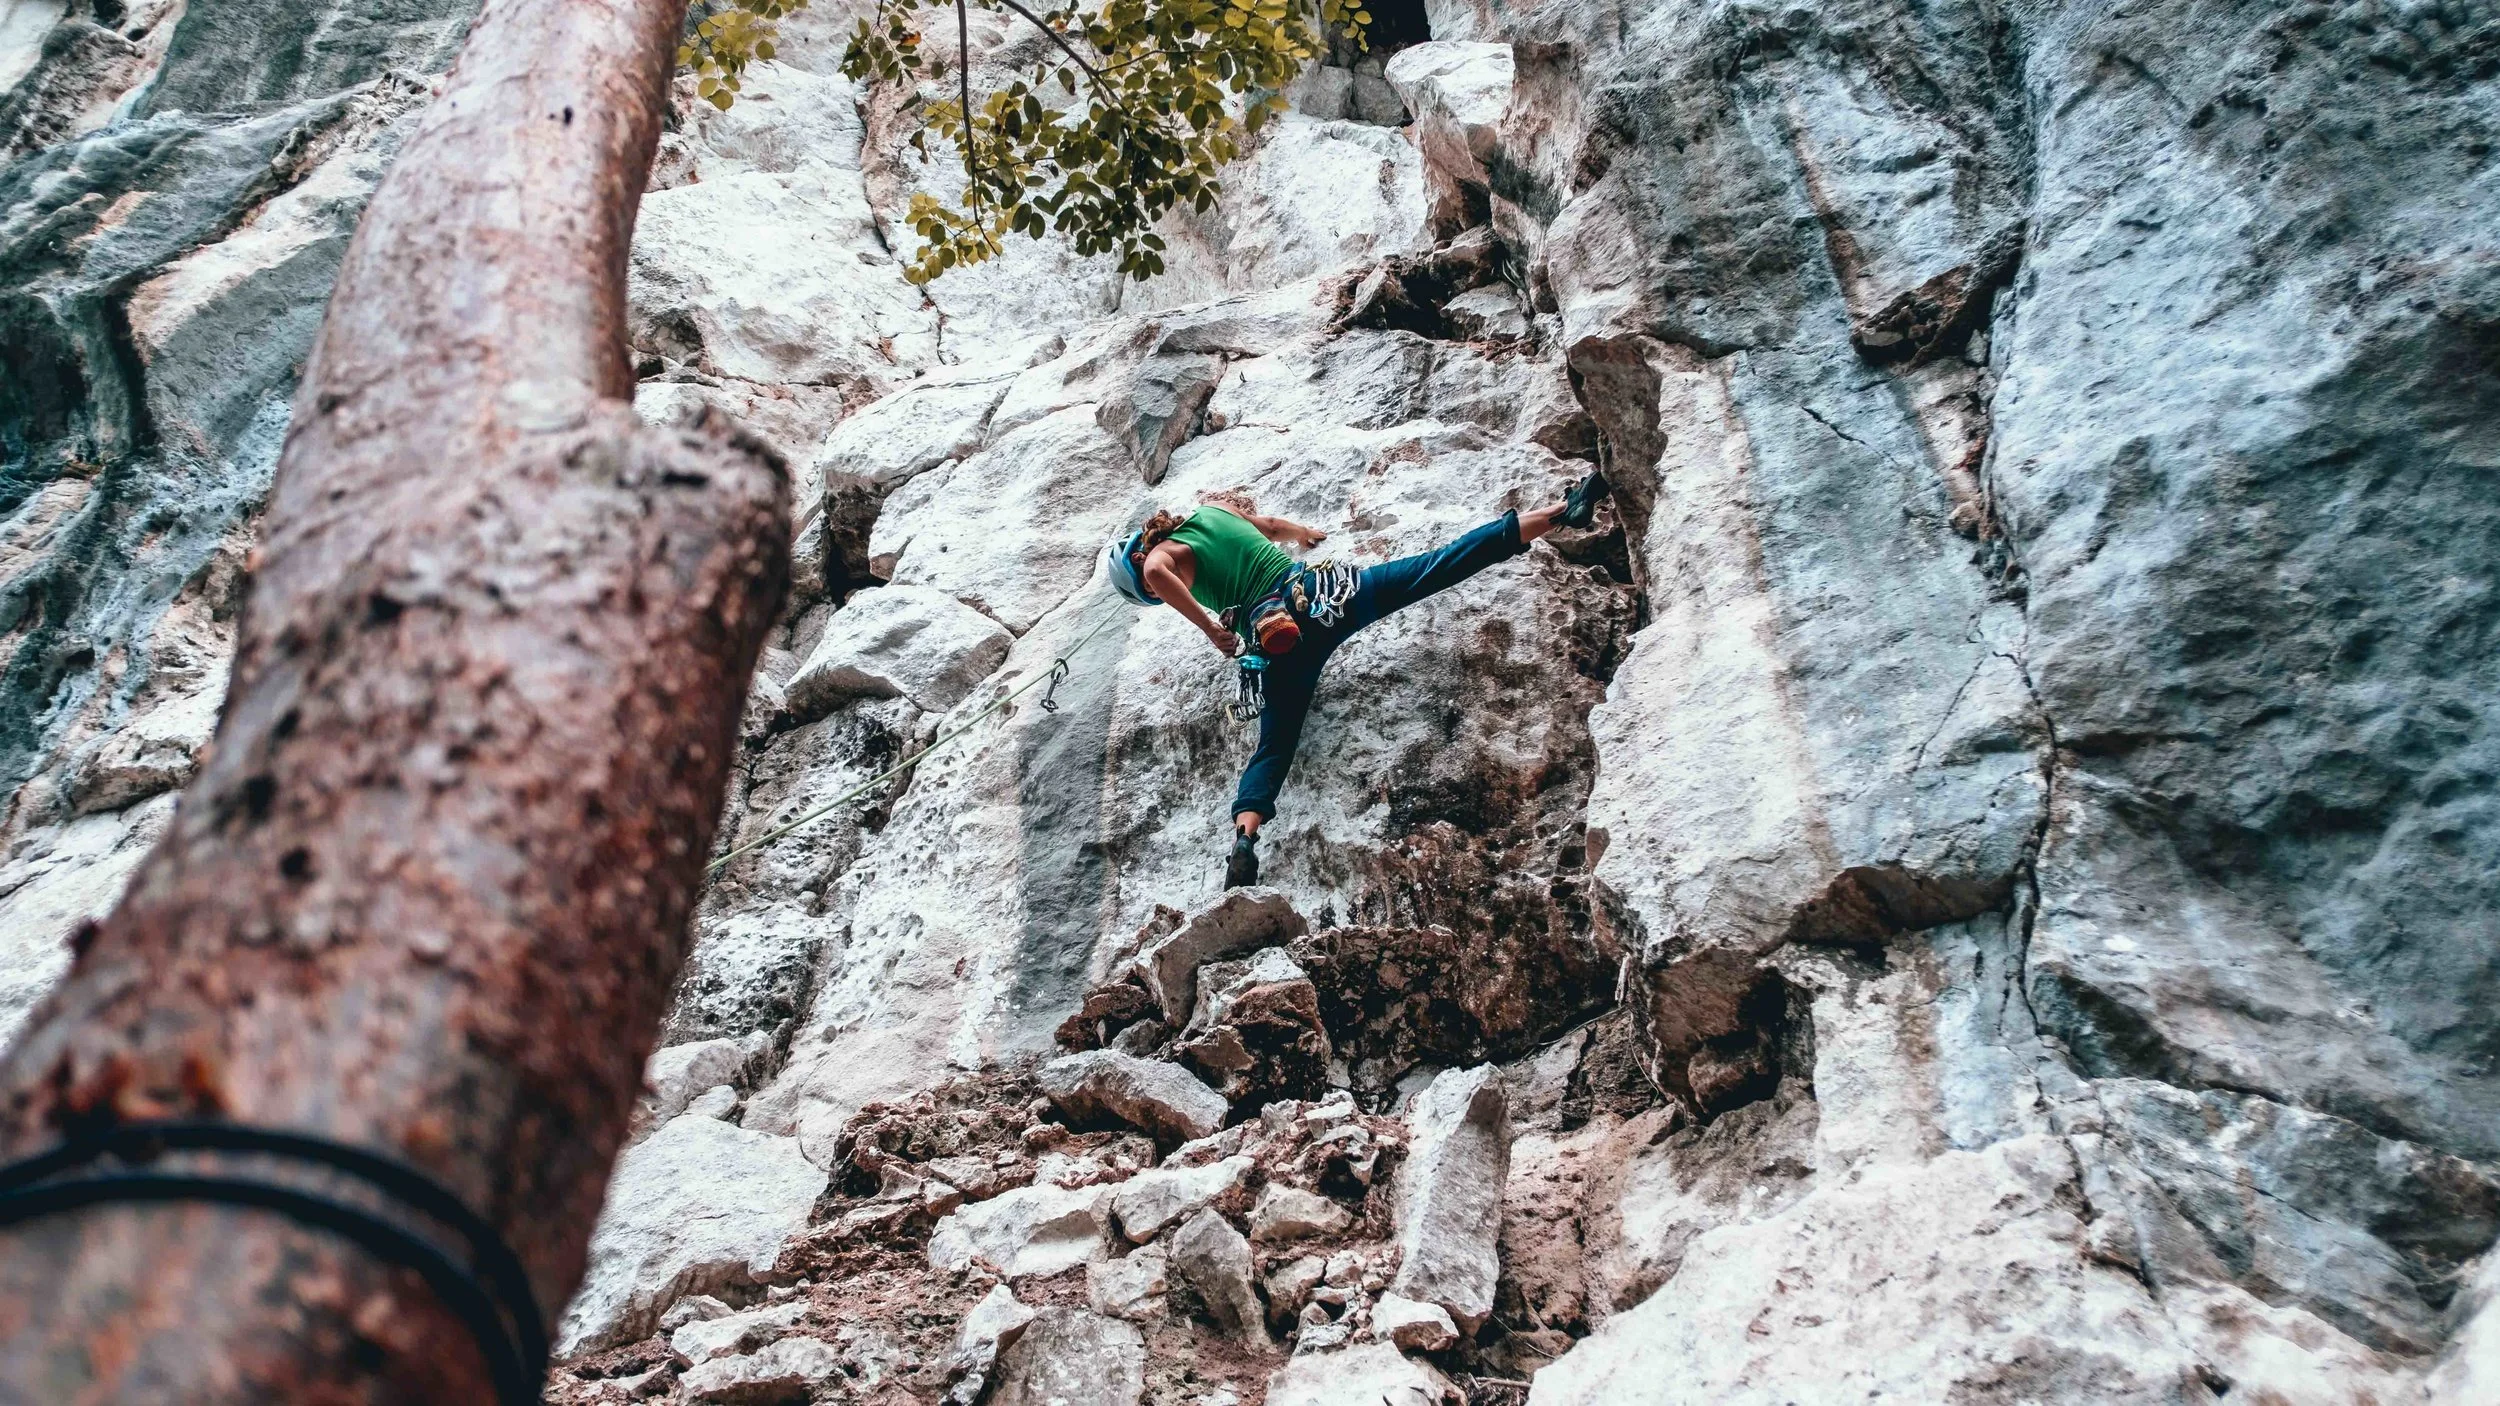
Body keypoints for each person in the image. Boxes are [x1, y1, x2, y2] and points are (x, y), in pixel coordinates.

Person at [1105, 471, 1611, 887]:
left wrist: (1213, 628)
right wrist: (1304, 534)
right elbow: (1272, 526)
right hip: (1325, 594)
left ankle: (1245, 838)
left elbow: (1156, 573)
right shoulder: (1217, 511)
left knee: (1275, 745)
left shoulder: (1158, 560)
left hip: (1278, 639)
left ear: (1138, 554)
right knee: (1436, 566)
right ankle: (1560, 512)